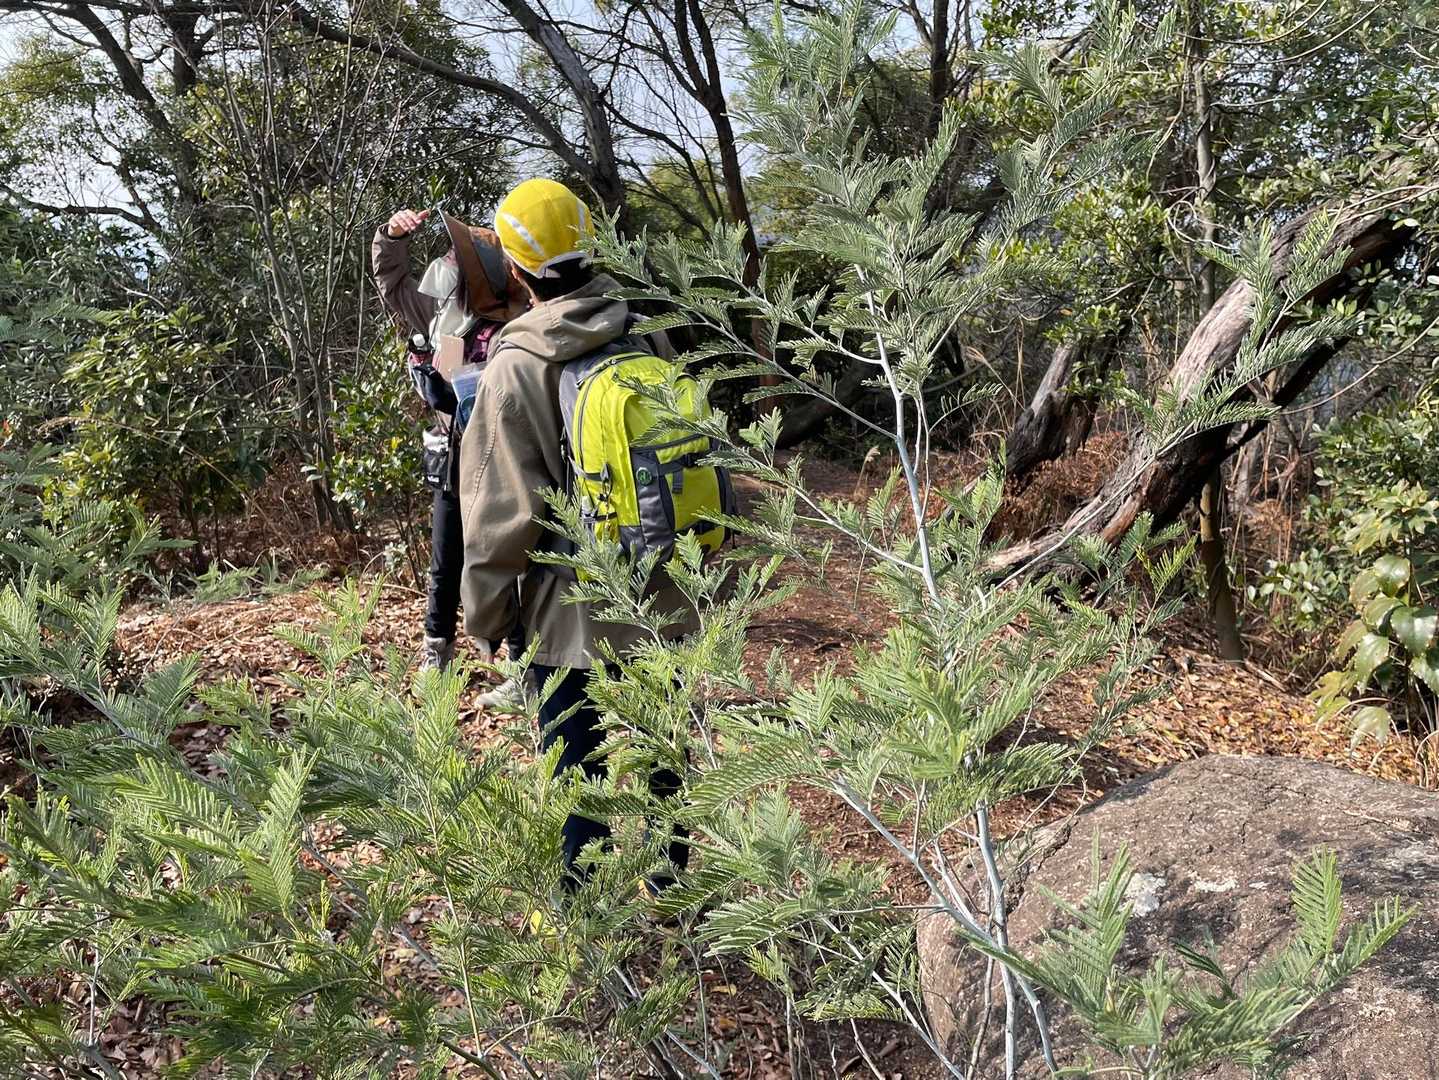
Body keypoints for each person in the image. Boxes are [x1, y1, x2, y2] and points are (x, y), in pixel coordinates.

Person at [457, 178, 693, 880]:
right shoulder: (647, 329)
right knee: (663, 755)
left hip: (570, 610)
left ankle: (590, 911)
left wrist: (487, 619)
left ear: (514, 267)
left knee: (576, 771)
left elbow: (498, 514)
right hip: (662, 586)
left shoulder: (516, 365)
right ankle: (673, 889)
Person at [371, 207, 527, 701]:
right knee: (445, 562)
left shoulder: (511, 323)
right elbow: (391, 281)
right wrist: (391, 235)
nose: (445, 263)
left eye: (455, 258)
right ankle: (436, 654)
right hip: (451, 457)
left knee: (510, 561)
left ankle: (521, 670)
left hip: (501, 465)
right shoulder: (437, 313)